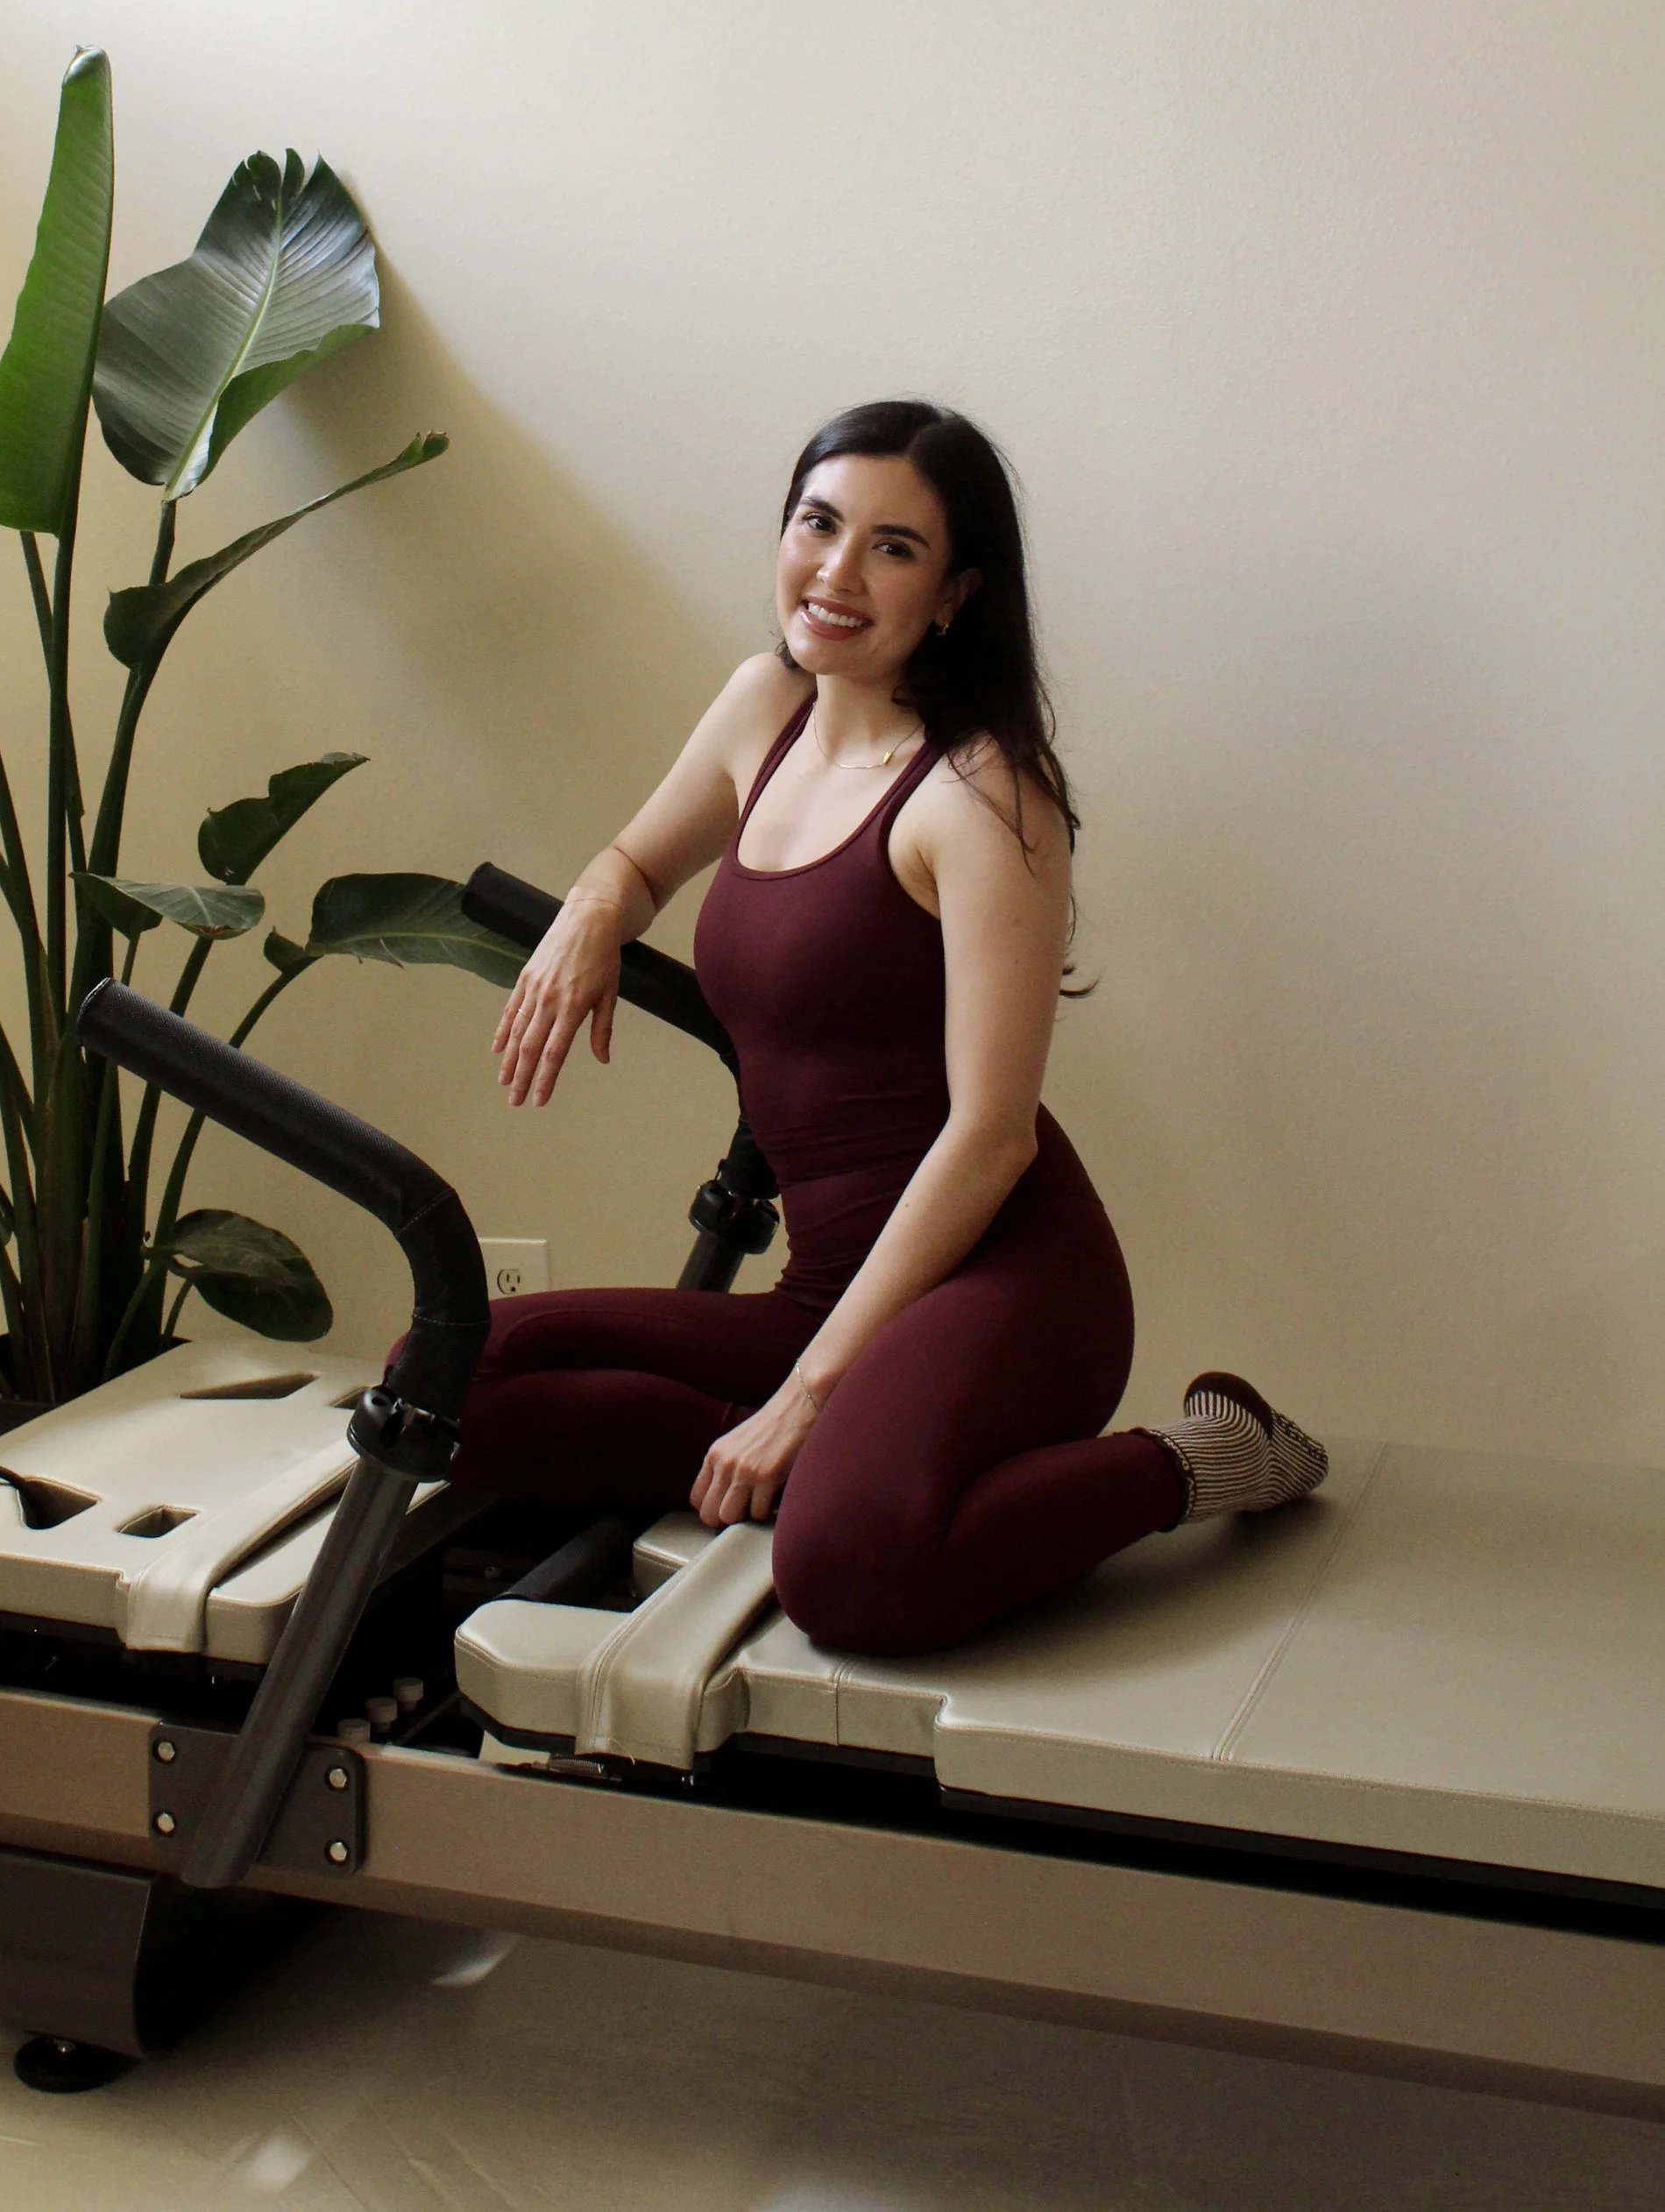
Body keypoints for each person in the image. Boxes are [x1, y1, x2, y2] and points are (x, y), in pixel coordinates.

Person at [456, 400, 1328, 1658]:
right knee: (451, 1378)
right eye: (819, 524)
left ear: (957, 591)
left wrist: (807, 1398)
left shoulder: (982, 797)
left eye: (894, 549)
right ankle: (863, 1458)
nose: (838, 573)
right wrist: (597, 907)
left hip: (1009, 1287)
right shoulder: (763, 708)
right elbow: (637, 861)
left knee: (852, 1579)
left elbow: (991, 1139)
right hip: (830, 1289)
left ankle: (1204, 1455)